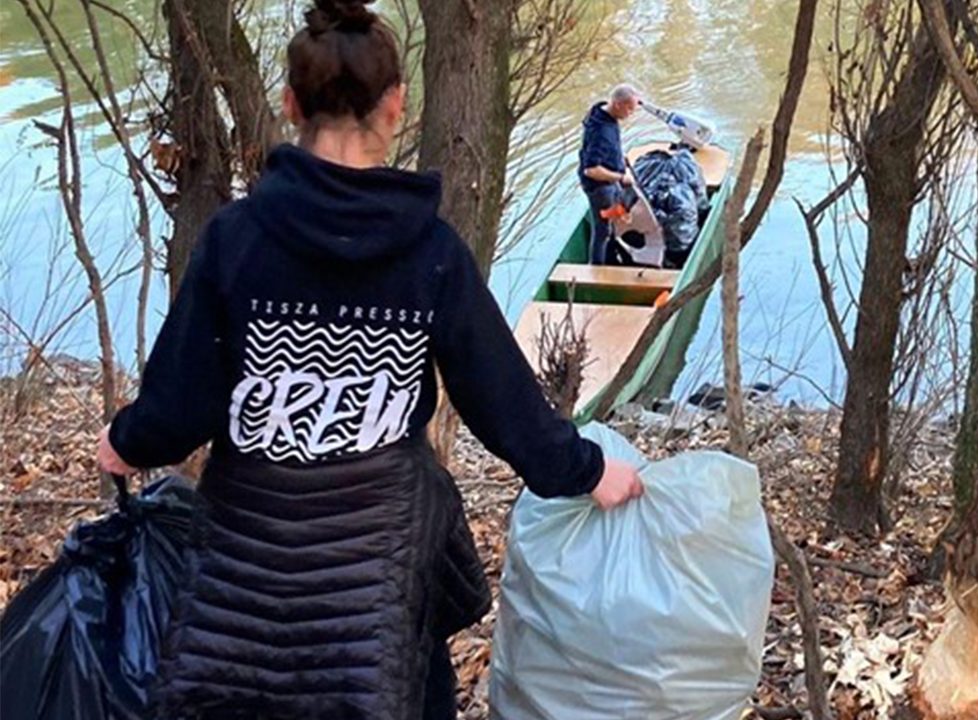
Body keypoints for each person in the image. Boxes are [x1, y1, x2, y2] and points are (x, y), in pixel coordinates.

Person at [95, 1, 643, 718]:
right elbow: (501, 400)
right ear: (397, 105)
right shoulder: (431, 252)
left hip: (245, 563)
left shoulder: (236, 238)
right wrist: (588, 471)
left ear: (290, 104)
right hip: (381, 565)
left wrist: (126, 441)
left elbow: (180, 404)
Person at [578, 83, 642, 265]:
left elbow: (608, 147)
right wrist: (620, 177)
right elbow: (591, 170)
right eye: (629, 109)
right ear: (617, 104)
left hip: (610, 182)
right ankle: (597, 266)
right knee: (602, 230)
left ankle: (612, 255)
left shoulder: (601, 110)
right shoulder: (601, 132)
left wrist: (620, 158)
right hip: (600, 189)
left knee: (614, 219)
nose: (631, 114)